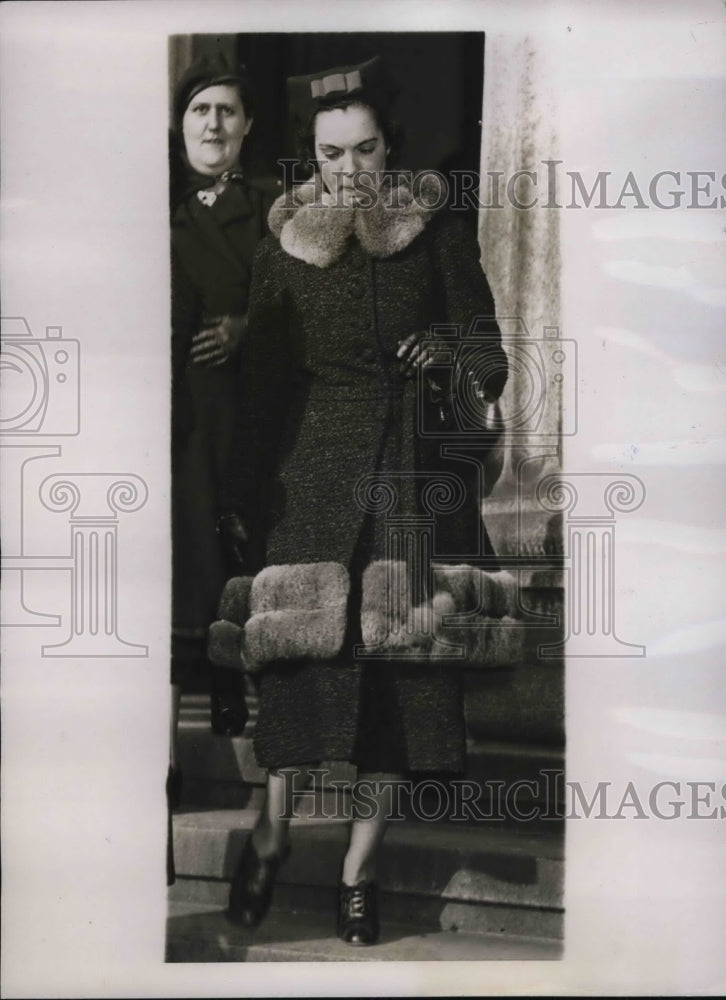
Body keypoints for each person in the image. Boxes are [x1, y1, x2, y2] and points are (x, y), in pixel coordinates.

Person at [218, 55, 509, 944]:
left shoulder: (441, 234)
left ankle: (357, 873)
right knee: (298, 673)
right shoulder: (285, 249)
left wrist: (447, 353)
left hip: (411, 485)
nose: (349, 170)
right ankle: (270, 836)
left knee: (399, 688)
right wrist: (243, 495)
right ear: (310, 157)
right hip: (310, 479)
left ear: (391, 148)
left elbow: (490, 355)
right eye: (330, 154)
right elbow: (262, 388)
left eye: (365, 150)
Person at [168, 52, 280, 822]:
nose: (213, 123)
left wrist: (249, 325)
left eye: (226, 111)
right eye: (200, 109)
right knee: (189, 545)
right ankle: (203, 684)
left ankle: (246, 687)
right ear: (180, 125)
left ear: (246, 128)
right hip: (180, 408)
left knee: (251, 537)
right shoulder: (155, 213)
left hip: (250, 405)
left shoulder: (274, 209)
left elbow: (302, 295)